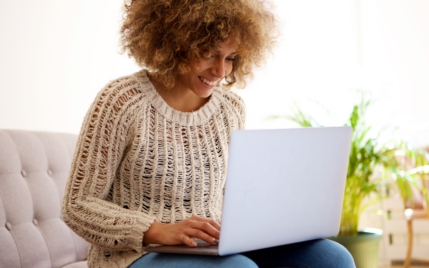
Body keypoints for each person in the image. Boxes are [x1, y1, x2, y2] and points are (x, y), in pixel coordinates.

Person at [62, 0, 356, 267]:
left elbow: (232, 196)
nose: (220, 71)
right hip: (137, 254)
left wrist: (263, 224)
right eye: (209, 53)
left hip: (211, 247)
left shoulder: (231, 108)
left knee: (333, 258)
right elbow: (77, 206)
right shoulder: (122, 100)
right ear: (176, 43)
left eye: (230, 57)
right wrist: (158, 229)